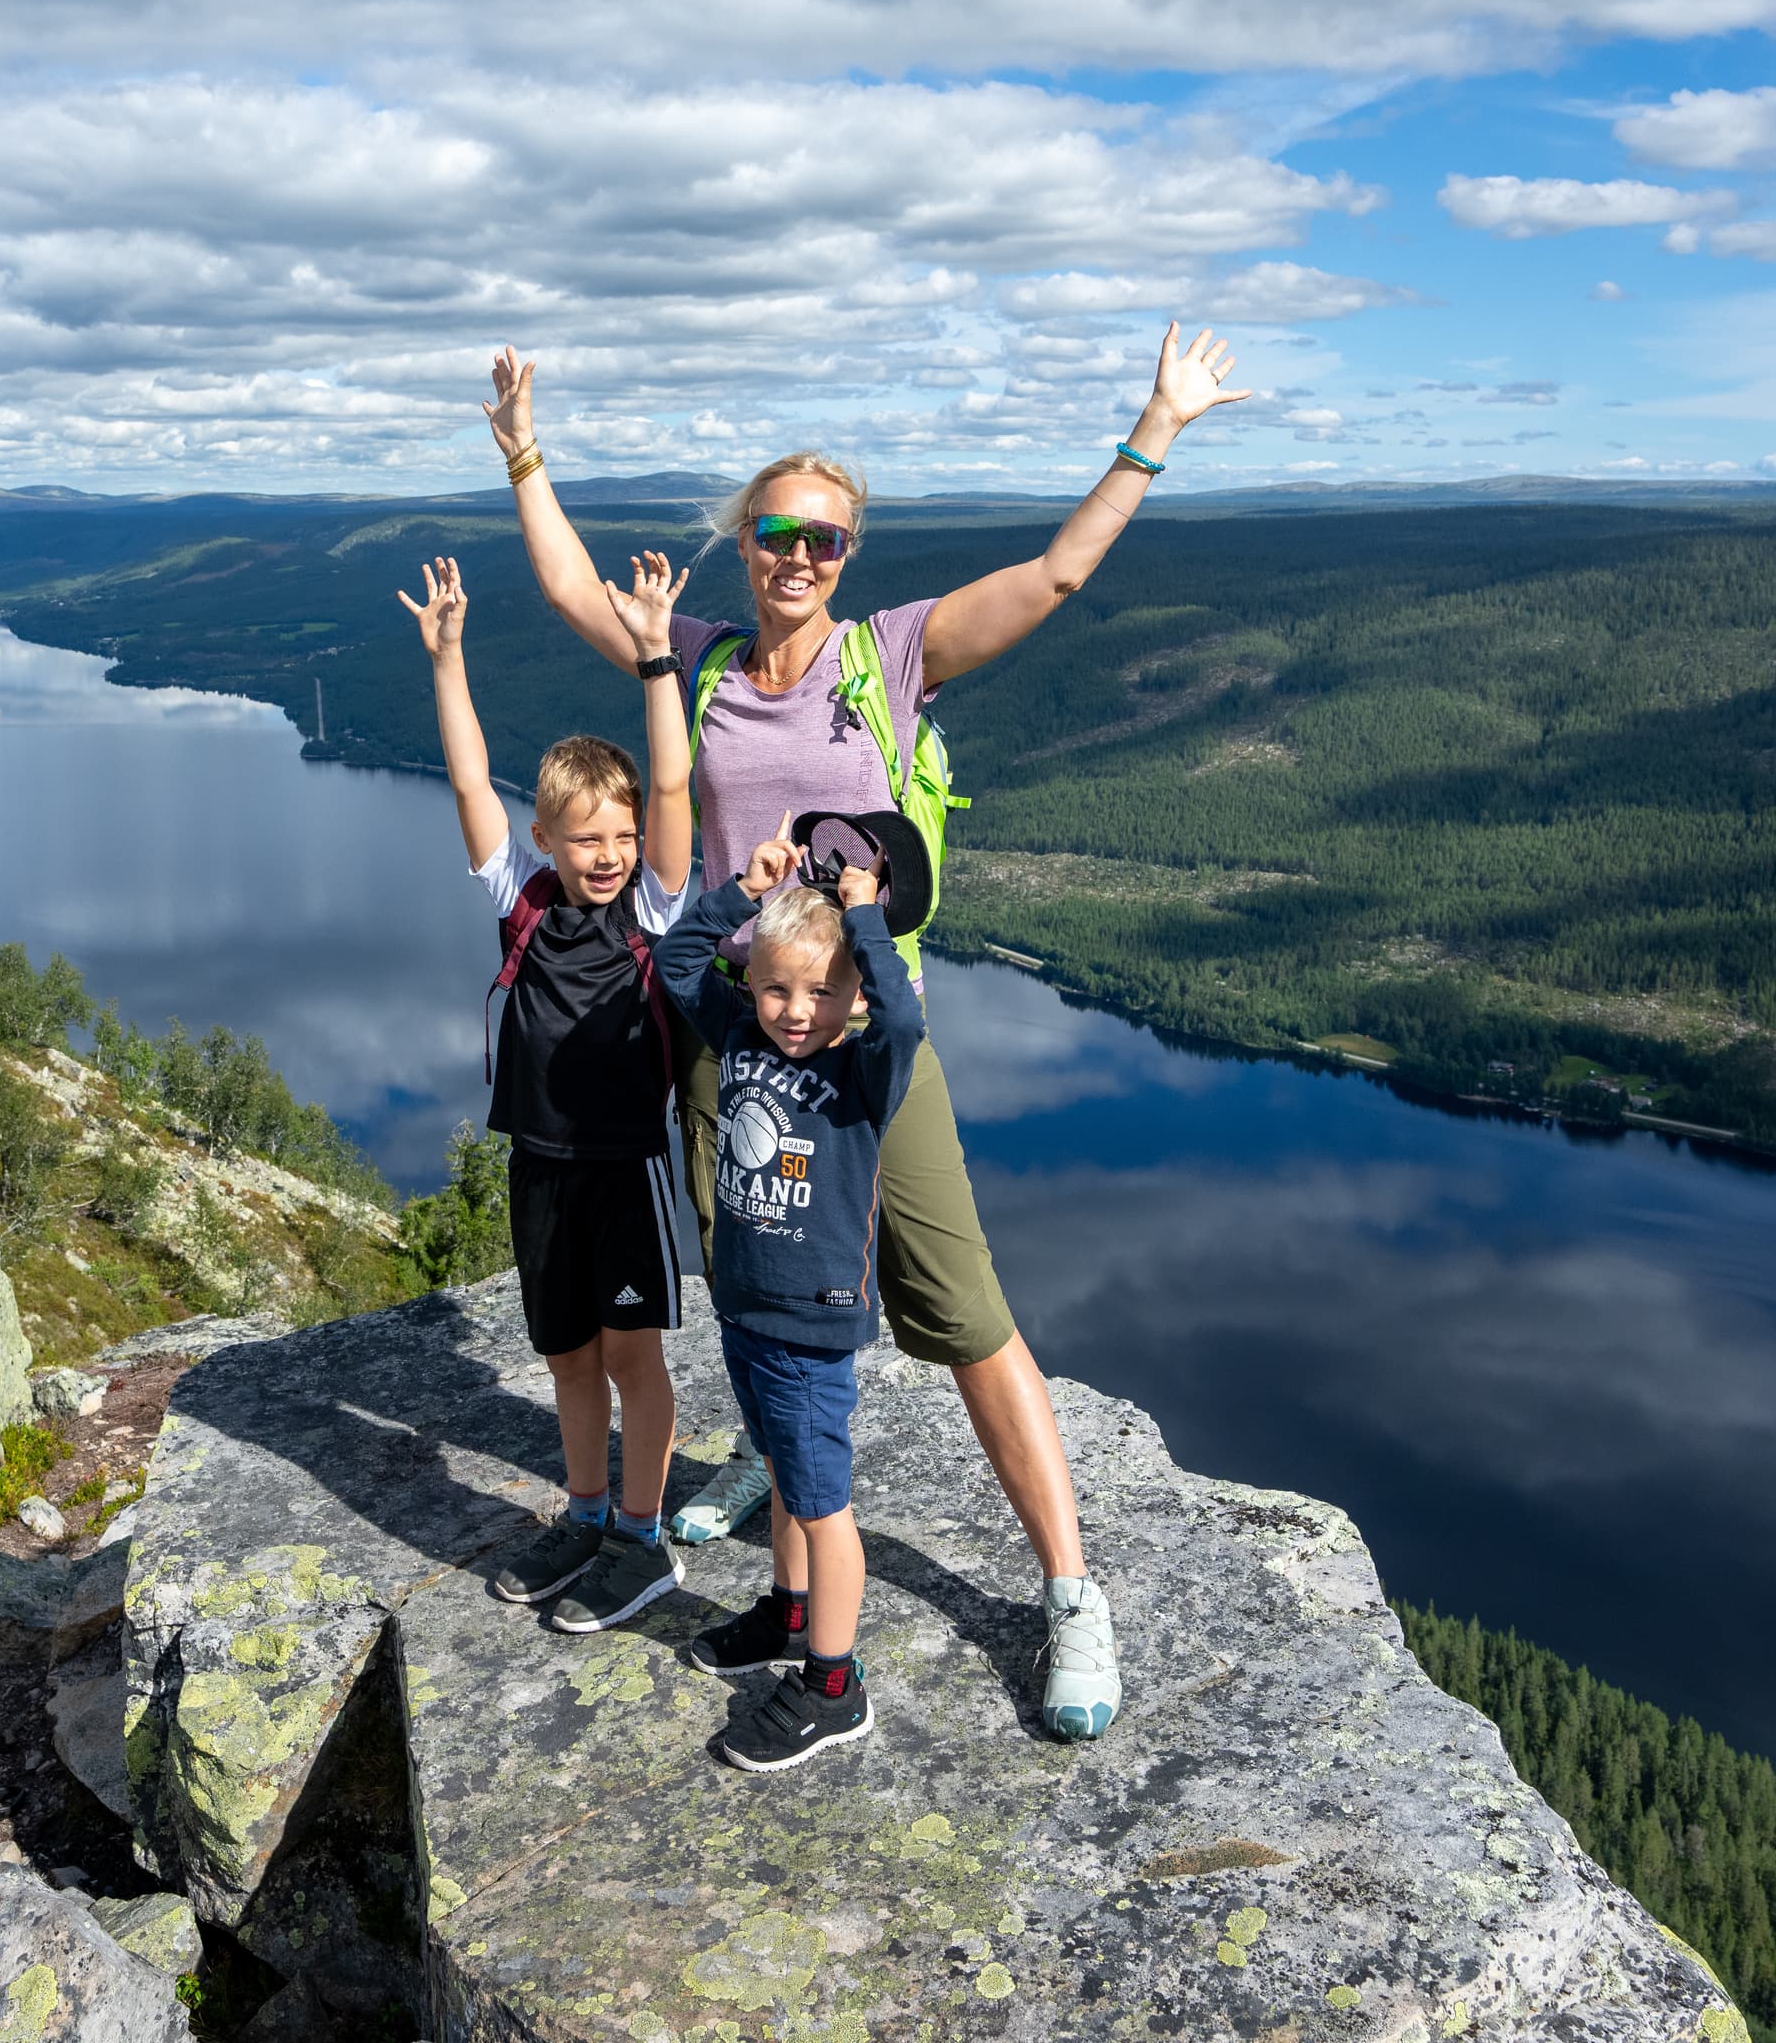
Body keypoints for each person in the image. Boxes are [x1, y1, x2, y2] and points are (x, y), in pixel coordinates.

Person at [484, 320, 1263, 1741]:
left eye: (825, 539)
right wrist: (525, 455)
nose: (799, 557)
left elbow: (1056, 575)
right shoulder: (700, 662)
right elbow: (567, 590)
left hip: (865, 1049)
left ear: (849, 556)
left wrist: (1156, 428)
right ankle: (789, 1554)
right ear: (745, 543)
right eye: (778, 533)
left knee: (959, 1308)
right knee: (763, 1297)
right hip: (732, 1036)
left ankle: (1070, 1590)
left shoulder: (891, 654)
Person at [402, 548, 701, 1634]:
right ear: (547, 841)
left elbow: (672, 784)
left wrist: (658, 658)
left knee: (632, 1357)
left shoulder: (651, 912)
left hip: (622, 1172)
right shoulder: (520, 899)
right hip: (538, 1166)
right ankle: (583, 1514)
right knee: (568, 1356)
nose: (609, 854)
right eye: (587, 838)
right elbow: (469, 782)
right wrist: (448, 659)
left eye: (622, 837)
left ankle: (642, 1537)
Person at [656, 835, 921, 1771]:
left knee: (822, 1507)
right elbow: (676, 959)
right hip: (747, 1312)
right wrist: (744, 890)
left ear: (854, 994)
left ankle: (833, 1685)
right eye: (776, 989)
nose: (796, 1011)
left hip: (810, 1326)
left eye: (821, 992)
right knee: (781, 1478)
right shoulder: (739, 1034)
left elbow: (904, 1021)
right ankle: (790, 1611)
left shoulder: (861, 1072)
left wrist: (864, 918)